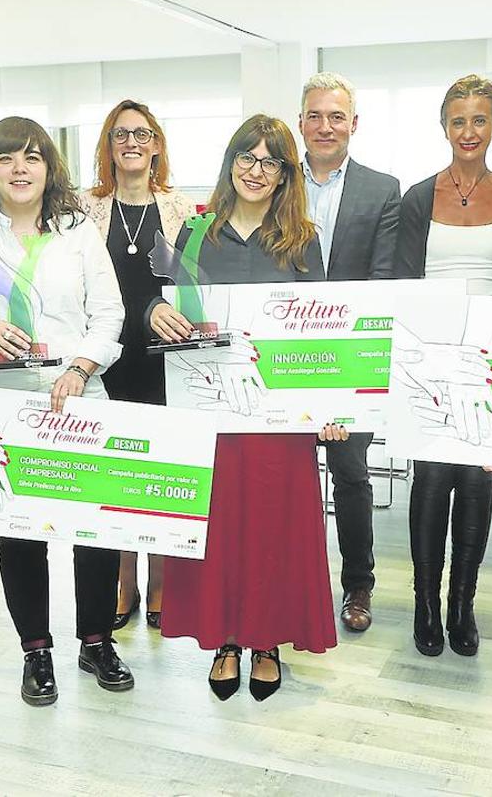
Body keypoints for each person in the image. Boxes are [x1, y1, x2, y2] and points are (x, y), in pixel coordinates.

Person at [0, 116, 131, 704]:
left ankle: (96, 640)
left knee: (94, 527)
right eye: (7, 158)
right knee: (20, 535)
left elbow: (109, 315)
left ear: (50, 169)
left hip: (79, 397)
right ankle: (35, 653)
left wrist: (79, 368)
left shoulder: (79, 233)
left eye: (33, 157)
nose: (20, 169)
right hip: (1, 404)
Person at [150, 114, 347, 701]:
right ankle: (225, 638)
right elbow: (164, 308)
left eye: (271, 161)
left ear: (287, 173)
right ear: (229, 162)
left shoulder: (302, 239)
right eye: (247, 157)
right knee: (221, 528)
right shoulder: (194, 234)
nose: (256, 171)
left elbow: (322, 337)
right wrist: (153, 315)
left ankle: (265, 640)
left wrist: (329, 407)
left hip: (277, 418)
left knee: (273, 530)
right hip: (209, 413)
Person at [394, 74, 492, 657]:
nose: (468, 131)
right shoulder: (417, 198)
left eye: (479, 120)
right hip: (429, 352)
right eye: (457, 121)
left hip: (488, 358)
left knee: (476, 482)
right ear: (443, 127)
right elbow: (399, 282)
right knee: (431, 480)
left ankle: (461, 604)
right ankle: (425, 603)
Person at [77, 100, 196, 631]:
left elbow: (192, 286)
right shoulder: (83, 210)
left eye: (142, 133)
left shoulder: (183, 209)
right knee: (114, 473)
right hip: (106, 359)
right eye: (120, 133)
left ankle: (161, 582)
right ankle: (122, 580)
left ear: (157, 145)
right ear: (108, 144)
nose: (131, 142)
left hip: (163, 360)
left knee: (160, 471)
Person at [298, 72, 401, 633]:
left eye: (336, 116)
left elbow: (384, 279)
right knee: (289, 480)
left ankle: (357, 585)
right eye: (315, 115)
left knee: (350, 472)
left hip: (351, 358)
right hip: (284, 358)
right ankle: (295, 581)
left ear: (354, 124)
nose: (325, 126)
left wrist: (346, 380)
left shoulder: (382, 189)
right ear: (301, 123)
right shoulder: (275, 182)